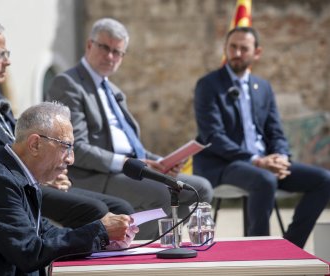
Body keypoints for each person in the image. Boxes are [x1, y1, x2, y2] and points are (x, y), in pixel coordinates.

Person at [0, 18, 134, 229]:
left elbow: (21, 143)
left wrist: (51, 172)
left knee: (120, 206)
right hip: (4, 193)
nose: (7, 61)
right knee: (95, 211)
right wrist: (39, 176)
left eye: (7, 54)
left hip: (29, 181)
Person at [45, 17, 213, 239]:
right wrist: (126, 163)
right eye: (105, 48)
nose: (110, 56)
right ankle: (136, 250)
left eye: (118, 52)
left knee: (199, 189)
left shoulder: (113, 89)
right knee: (161, 193)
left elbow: (131, 145)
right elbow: (78, 148)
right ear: (89, 45)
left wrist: (162, 162)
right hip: (95, 175)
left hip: (131, 170)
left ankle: (159, 239)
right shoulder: (68, 84)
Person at [0, 102, 137, 275]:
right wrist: (99, 230)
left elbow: (45, 234)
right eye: (66, 146)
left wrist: (103, 240)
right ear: (35, 144)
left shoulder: (17, 174)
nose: (71, 159)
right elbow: (30, 252)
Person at [193, 26, 330, 248]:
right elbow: (213, 136)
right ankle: (259, 252)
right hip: (224, 163)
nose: (237, 53)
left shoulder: (263, 87)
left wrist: (281, 156)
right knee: (264, 179)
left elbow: (275, 130)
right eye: (232, 47)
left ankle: (290, 247)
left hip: (265, 162)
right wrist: (256, 160)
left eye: (243, 48)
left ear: (257, 53)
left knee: (323, 180)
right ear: (226, 49)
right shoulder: (208, 85)